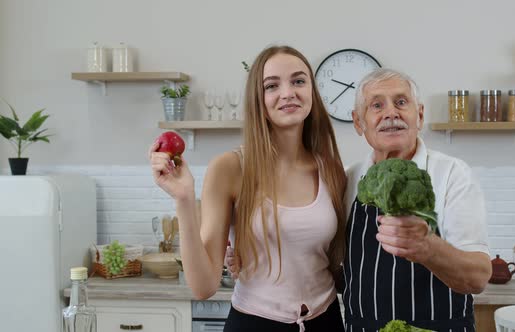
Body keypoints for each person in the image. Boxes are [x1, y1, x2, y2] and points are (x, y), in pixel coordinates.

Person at [227, 68, 492, 332]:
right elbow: (341, 271)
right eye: (376, 105)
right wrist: (256, 255)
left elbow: (478, 277)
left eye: (401, 102)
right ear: (358, 122)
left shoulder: (452, 175)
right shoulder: (348, 179)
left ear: (419, 115)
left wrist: (427, 248)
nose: (391, 113)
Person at [149, 45, 347, 332]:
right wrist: (183, 199)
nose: (288, 92)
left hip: (326, 321)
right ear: (258, 100)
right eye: (272, 85)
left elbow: (336, 261)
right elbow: (203, 286)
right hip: (255, 323)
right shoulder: (230, 168)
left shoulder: (332, 170)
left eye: (299, 81)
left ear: (312, 94)